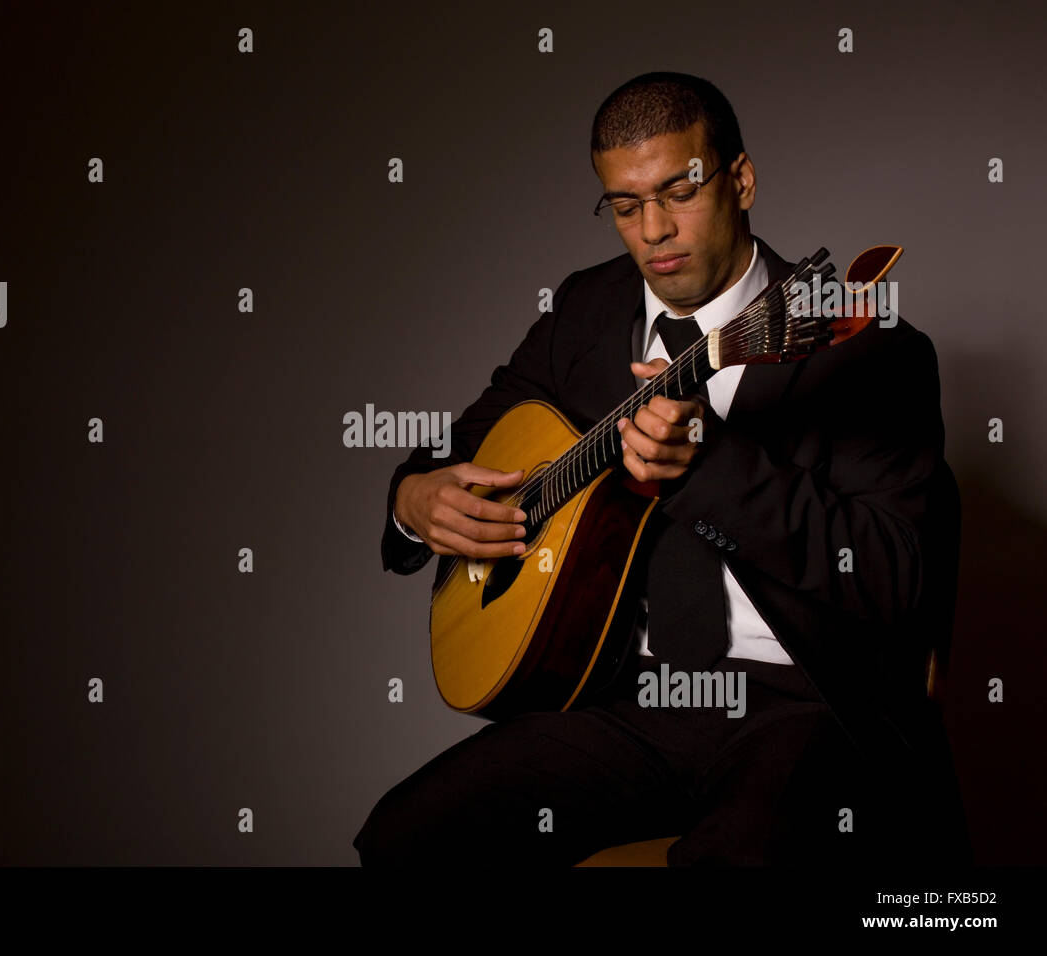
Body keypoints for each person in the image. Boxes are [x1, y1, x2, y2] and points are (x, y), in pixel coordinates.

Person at [353, 72, 970, 867]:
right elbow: (464, 442)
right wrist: (413, 497)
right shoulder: (586, 310)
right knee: (405, 839)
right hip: (625, 698)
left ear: (740, 180)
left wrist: (709, 466)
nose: (654, 229)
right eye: (625, 204)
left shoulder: (871, 350)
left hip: (801, 706)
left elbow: (895, 574)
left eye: (680, 190)